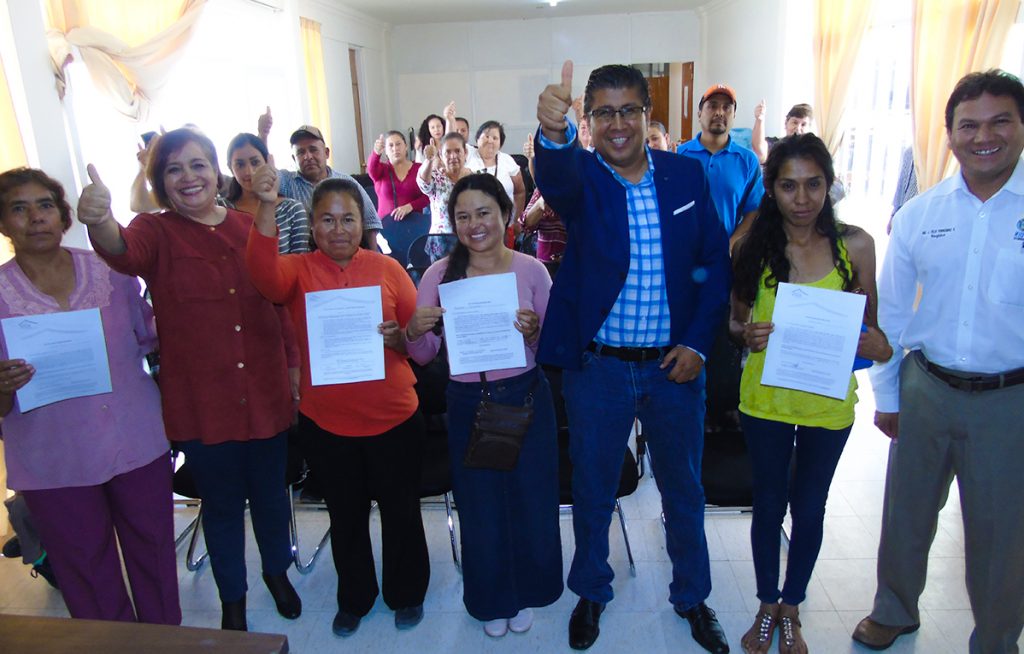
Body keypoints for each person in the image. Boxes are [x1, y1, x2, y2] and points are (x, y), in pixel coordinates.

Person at [535, 61, 732, 653]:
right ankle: (592, 590)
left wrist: (698, 344)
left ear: (648, 116)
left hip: (674, 368)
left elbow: (714, 264)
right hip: (600, 368)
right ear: (589, 122)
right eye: (603, 113)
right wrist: (553, 134)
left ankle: (692, 596)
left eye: (628, 111)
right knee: (594, 487)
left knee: (684, 490)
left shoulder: (686, 175)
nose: (617, 124)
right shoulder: (582, 176)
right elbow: (555, 175)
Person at [77, 128, 301, 632]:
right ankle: (233, 599)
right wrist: (99, 220)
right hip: (204, 403)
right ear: (160, 181)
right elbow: (121, 250)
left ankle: (277, 573)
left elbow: (277, 301)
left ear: (215, 173)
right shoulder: (155, 231)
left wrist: (293, 368)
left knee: (271, 498)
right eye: (173, 169)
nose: (188, 177)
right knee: (221, 508)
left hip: (265, 390)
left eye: (197, 165)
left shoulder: (247, 225)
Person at [855, 69, 1024, 654]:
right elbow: (891, 317)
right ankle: (894, 610)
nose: (984, 137)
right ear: (949, 135)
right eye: (968, 125)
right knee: (906, 512)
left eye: (1000, 122)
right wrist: (888, 397)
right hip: (926, 387)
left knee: (1002, 533)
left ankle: (996, 639)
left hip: (1010, 399)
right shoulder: (919, 215)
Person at [245, 171, 430, 638]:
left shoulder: (388, 270)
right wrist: (265, 205)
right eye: (327, 220)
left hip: (395, 419)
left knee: (401, 512)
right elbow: (262, 276)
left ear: (362, 222)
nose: (339, 229)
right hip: (327, 424)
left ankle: (407, 592)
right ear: (312, 225)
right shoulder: (298, 271)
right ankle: (355, 598)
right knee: (346, 517)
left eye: (348, 219)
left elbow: (418, 342)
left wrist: (399, 339)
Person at [729, 134, 893, 654]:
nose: (802, 199)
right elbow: (734, 322)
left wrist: (876, 343)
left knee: (810, 507)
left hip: (828, 403)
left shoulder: (856, 245)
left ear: (829, 184)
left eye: (813, 184)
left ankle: (792, 607)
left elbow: (875, 332)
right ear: (771, 189)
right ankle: (765, 604)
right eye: (788, 186)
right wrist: (746, 334)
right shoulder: (751, 244)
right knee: (768, 505)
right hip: (766, 400)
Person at [0, 167, 179, 625]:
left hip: (135, 440)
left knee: (154, 553)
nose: (35, 218)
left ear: (64, 216)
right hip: (52, 457)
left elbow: (152, 338)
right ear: (3, 223)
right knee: (86, 569)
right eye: (19, 208)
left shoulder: (111, 271)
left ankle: (165, 641)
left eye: (45, 205)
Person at [406, 173, 561, 638]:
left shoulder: (532, 270)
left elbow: (552, 348)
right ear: (452, 222)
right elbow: (424, 356)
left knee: (530, 501)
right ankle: (491, 598)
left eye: (483, 213)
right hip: (469, 402)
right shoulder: (438, 275)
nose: (474, 224)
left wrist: (535, 333)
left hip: (525, 397)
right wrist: (414, 331)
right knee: (480, 506)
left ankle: (526, 591)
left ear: (506, 214)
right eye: (463, 216)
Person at [677, 84, 764, 247]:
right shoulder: (679, 155)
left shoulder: (748, 160)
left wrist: (730, 246)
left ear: (734, 115)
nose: (719, 112)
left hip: (727, 254)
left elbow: (754, 210)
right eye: (712, 106)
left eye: (726, 107)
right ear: (699, 114)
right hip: (684, 252)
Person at [276, 124, 381, 247]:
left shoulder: (347, 183)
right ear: (294, 158)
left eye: (313, 149)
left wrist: (374, 256)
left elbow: (370, 223)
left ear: (326, 153)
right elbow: (266, 177)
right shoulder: (287, 181)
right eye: (301, 152)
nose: (308, 157)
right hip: (302, 254)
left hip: (343, 251)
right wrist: (263, 136)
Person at [223, 132, 309, 253]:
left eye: (255, 162)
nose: (249, 172)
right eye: (240, 165)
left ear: (267, 163)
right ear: (230, 168)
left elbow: (299, 259)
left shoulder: (292, 210)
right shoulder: (222, 208)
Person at [367, 131, 430, 267]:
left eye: (398, 144)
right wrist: (376, 153)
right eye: (390, 146)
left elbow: (427, 196)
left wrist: (410, 206)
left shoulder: (419, 169)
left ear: (406, 147)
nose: (395, 148)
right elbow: (371, 169)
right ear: (385, 150)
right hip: (386, 230)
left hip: (414, 228)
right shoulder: (381, 170)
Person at [416, 132, 473, 259]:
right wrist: (429, 160)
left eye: (457, 151)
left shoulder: (474, 178)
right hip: (440, 243)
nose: (453, 156)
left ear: (465, 153)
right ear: (441, 155)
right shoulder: (436, 178)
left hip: (469, 239)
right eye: (448, 152)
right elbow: (423, 182)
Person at [519, 133, 567, 277]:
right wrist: (539, 205)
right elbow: (526, 225)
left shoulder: (583, 186)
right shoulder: (543, 188)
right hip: (546, 265)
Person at [467, 120, 527, 220]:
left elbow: (519, 192)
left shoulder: (507, 160)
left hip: (504, 222)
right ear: (477, 139)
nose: (490, 141)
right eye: (486, 136)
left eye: (495, 138)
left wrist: (516, 220)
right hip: (474, 221)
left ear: (500, 144)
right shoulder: (468, 155)